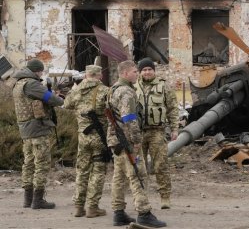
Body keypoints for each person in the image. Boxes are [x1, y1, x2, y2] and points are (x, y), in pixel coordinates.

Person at [107, 60, 166, 228]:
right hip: (126, 141)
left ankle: (118, 213)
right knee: (138, 175)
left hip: (115, 140)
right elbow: (129, 118)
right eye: (134, 71)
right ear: (125, 73)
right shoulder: (126, 92)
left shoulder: (113, 89)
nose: (137, 74)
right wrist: (137, 141)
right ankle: (144, 213)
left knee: (119, 177)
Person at [12, 58, 64, 209]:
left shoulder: (18, 83)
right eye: (41, 71)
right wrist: (59, 99)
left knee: (28, 163)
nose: (42, 73)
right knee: (41, 163)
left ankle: (27, 199)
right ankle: (38, 200)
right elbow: (50, 99)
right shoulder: (32, 83)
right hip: (37, 129)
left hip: (25, 129)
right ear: (37, 71)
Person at [63, 65, 109, 218]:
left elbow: (67, 105)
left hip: (83, 138)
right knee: (98, 172)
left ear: (86, 75)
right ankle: (92, 207)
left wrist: (75, 88)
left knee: (82, 171)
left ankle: (78, 207)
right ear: (99, 76)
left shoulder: (76, 90)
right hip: (99, 138)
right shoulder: (105, 90)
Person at [135, 58, 178, 209]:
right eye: (144, 70)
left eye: (149, 69)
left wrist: (174, 128)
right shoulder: (133, 86)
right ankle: (141, 199)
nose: (147, 72)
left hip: (157, 132)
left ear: (154, 71)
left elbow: (172, 108)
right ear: (140, 72)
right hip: (138, 133)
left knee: (161, 165)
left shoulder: (164, 86)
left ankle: (165, 197)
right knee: (139, 167)